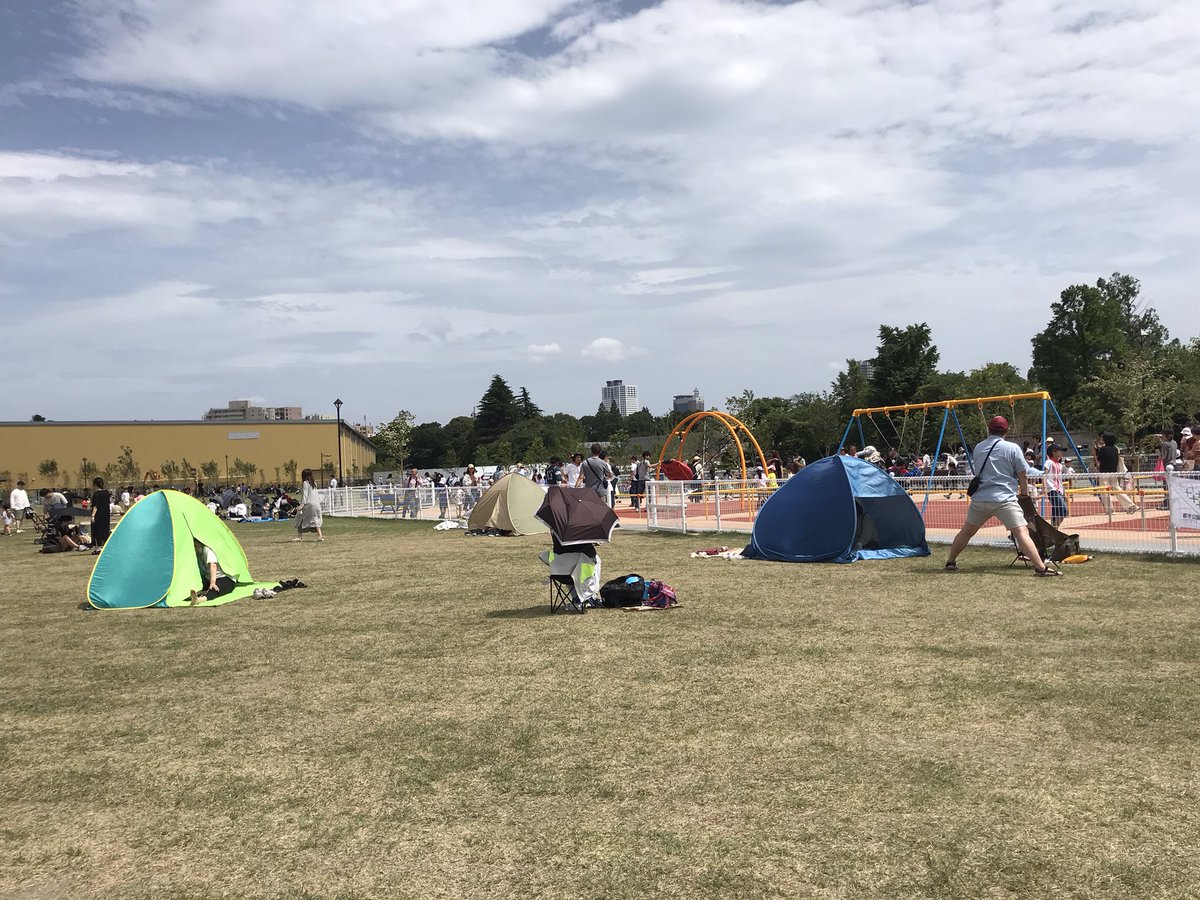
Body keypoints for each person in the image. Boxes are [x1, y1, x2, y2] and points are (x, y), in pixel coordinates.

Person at [943, 416, 1060, 576]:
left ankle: (951, 561)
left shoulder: (978, 447)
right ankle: (1041, 568)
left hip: (980, 498)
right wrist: (1024, 494)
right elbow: (1023, 474)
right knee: (1021, 532)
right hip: (1004, 499)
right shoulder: (1012, 448)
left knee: (967, 532)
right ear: (1007, 430)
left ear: (989, 429)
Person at [1094, 432, 1137, 514]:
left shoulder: (1103, 449)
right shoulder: (1115, 449)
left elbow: (1099, 459)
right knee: (1117, 489)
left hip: (1104, 473)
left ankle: (1110, 510)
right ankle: (1130, 506)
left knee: (1104, 491)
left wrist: (1097, 450)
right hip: (1113, 473)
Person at [190, 538, 235, 604]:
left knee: (214, 589)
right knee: (204, 588)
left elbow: (213, 565)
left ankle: (199, 600)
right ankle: (200, 594)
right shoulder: (197, 553)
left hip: (224, 578)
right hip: (209, 579)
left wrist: (212, 583)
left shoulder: (207, 550)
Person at [294, 468, 324, 542]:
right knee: (315, 519)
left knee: (300, 518)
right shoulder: (314, 483)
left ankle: (299, 536)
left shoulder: (305, 483)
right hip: (316, 504)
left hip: (309, 504)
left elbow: (305, 495)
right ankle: (320, 536)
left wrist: (302, 505)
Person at [1044, 444, 1068, 527]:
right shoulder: (1049, 462)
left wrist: (1064, 491)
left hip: (1059, 490)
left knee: (1056, 511)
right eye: (1060, 451)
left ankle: (1053, 528)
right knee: (1063, 509)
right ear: (1053, 452)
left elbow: (1060, 480)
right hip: (1052, 489)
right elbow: (1044, 475)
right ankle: (1054, 528)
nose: (1062, 453)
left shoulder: (1060, 465)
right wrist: (1045, 488)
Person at [89, 476, 112, 554]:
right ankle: (105, 546)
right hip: (106, 514)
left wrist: (93, 516)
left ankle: (98, 547)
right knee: (105, 530)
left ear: (95, 484)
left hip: (98, 515)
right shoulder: (106, 493)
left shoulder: (96, 494)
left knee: (97, 530)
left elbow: (96, 506)